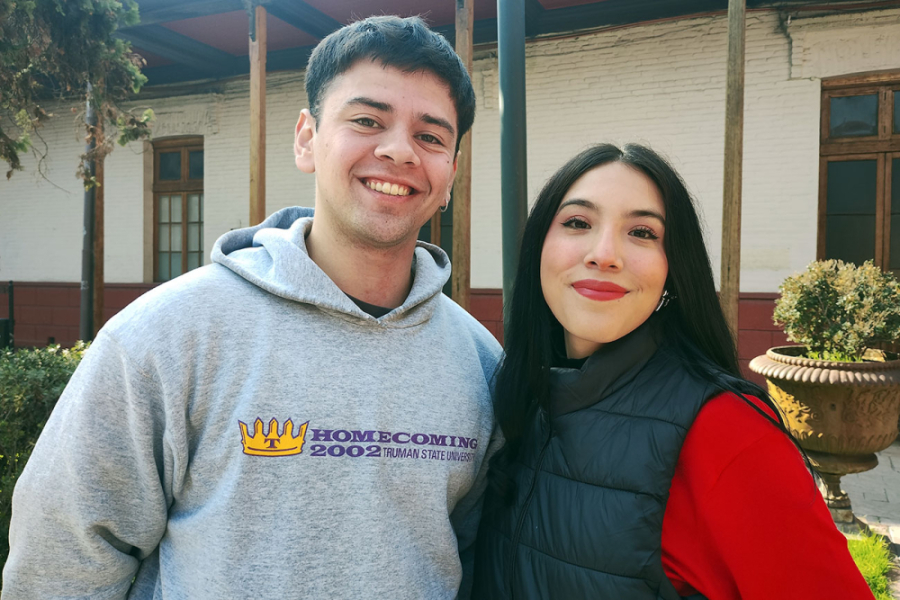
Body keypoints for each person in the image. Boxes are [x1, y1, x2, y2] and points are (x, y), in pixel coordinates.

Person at [3, 16, 501, 599]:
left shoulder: (481, 362)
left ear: (451, 172)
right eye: (367, 120)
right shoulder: (166, 335)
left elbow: (475, 557)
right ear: (306, 139)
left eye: (431, 136)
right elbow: (62, 559)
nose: (398, 150)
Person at [472, 143, 873, 599]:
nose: (605, 254)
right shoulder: (515, 395)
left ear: (673, 267)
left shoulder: (726, 430)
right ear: (538, 247)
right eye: (578, 223)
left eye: (642, 232)